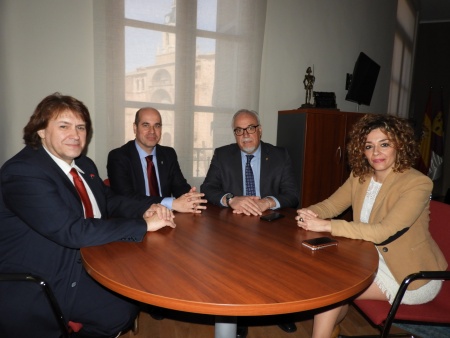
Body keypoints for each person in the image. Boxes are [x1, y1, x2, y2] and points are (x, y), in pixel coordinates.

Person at [0, 93, 176, 338]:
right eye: (64, 126)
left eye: (81, 127)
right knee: (120, 309)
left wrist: (147, 208)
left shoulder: (84, 165)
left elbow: (109, 199)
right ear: (41, 130)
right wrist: (143, 224)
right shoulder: (23, 172)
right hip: (44, 277)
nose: (75, 134)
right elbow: (72, 231)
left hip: (88, 257)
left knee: (140, 282)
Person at [295, 113, 447, 338]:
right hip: (369, 257)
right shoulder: (360, 176)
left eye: (384, 144)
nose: (376, 153)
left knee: (334, 287)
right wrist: (310, 212)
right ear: (361, 150)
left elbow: (384, 232)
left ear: (399, 145)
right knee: (327, 274)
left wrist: (326, 226)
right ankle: (330, 330)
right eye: (369, 146)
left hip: (410, 275)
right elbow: (331, 205)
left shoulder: (417, 183)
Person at [201, 109, 299, 337]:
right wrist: (231, 199)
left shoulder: (279, 155)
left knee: (278, 266)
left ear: (260, 130)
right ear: (234, 133)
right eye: (239, 130)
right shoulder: (222, 155)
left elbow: (293, 194)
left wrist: (268, 201)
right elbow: (208, 188)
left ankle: (281, 311)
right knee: (235, 269)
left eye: (250, 128)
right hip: (234, 226)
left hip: (271, 225)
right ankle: (239, 316)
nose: (245, 134)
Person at [107, 107, 207, 214]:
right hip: (136, 219)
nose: (152, 131)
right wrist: (171, 203)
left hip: (167, 218)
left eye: (157, 126)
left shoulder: (168, 154)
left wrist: (190, 198)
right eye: (146, 125)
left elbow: (179, 186)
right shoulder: (118, 157)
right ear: (135, 128)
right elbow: (126, 197)